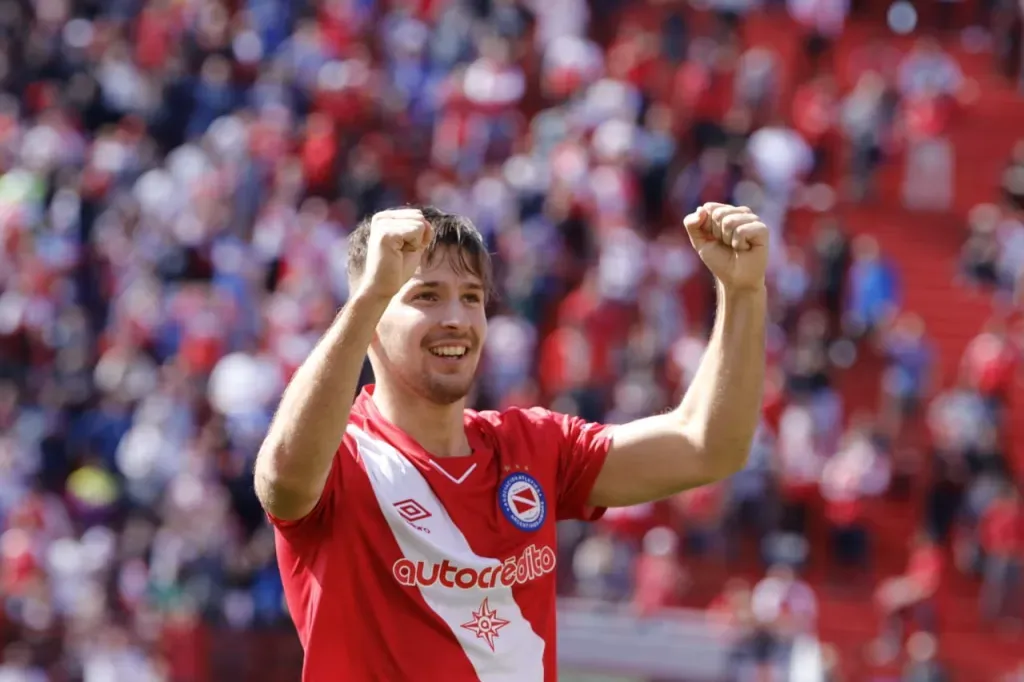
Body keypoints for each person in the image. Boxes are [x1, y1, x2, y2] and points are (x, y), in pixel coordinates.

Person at [254, 203, 770, 681]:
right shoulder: (343, 460)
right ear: (369, 321)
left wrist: (743, 291)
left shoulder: (534, 446)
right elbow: (282, 479)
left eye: (471, 297)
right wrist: (369, 295)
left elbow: (707, 445)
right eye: (426, 296)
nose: (456, 318)